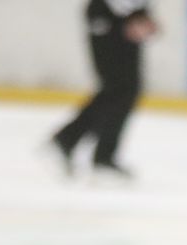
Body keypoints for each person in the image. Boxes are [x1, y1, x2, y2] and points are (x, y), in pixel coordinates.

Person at [48, 1, 158, 179]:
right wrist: (134, 16)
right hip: (107, 16)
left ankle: (77, 144)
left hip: (122, 17)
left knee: (126, 89)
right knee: (118, 87)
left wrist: (141, 15)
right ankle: (88, 150)